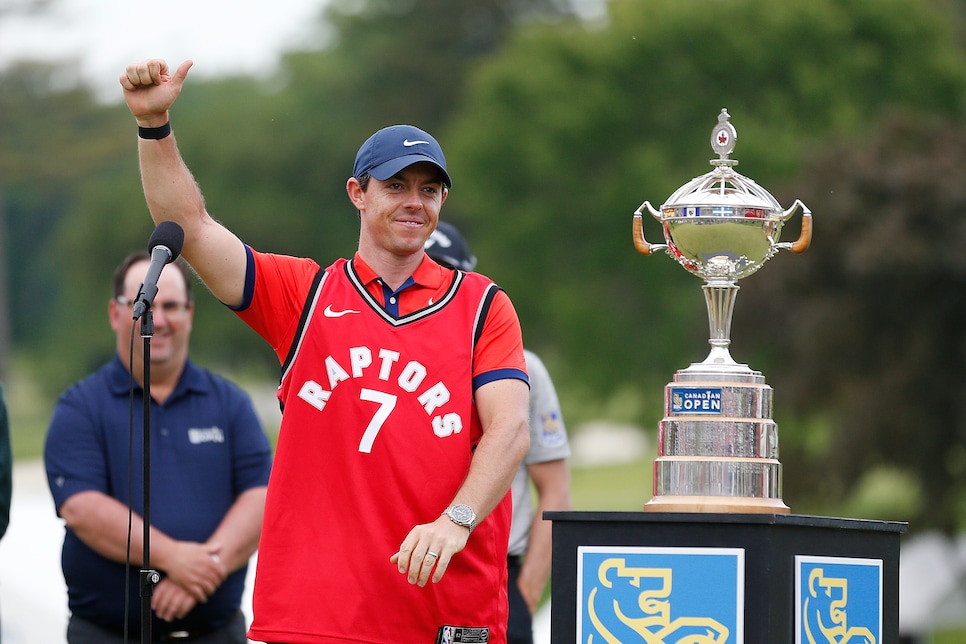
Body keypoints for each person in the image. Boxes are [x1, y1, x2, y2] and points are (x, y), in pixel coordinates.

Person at [119, 58, 531, 644]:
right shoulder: (304, 296)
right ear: (357, 194)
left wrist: (454, 522)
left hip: (442, 614)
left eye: (429, 189)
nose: (416, 202)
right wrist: (154, 124)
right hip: (316, 618)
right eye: (396, 186)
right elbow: (188, 223)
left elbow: (510, 429)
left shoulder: (484, 306)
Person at [44, 251, 273, 643]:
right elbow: (82, 508)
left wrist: (205, 570)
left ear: (190, 314)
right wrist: (173, 559)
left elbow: (262, 495)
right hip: (108, 634)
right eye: (147, 305)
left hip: (214, 633)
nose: (161, 320)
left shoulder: (230, 404)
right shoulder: (80, 406)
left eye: (172, 306)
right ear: (117, 314)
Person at [426, 222, 572, 644]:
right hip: (402, 567)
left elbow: (556, 491)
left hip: (494, 571)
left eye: (446, 273)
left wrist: (526, 591)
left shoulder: (522, 366)